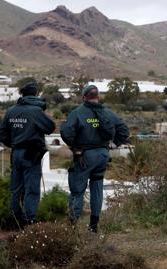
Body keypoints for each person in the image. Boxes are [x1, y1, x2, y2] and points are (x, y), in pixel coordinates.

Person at [60, 84, 129, 233]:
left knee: (78, 191)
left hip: (85, 156)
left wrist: (74, 148)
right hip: (103, 155)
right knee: (97, 188)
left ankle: (72, 226)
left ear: (84, 97)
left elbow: (65, 132)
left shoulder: (78, 113)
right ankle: (93, 227)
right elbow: (124, 130)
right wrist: (115, 144)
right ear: (98, 97)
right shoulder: (108, 113)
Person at [0, 81, 56, 227]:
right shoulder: (36, 112)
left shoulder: (11, 111)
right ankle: (30, 221)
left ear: (23, 94)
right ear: (36, 94)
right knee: (32, 189)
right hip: (31, 155)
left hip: (16, 153)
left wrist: (14, 144)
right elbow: (50, 127)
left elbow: (1, 133)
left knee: (15, 188)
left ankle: (16, 219)